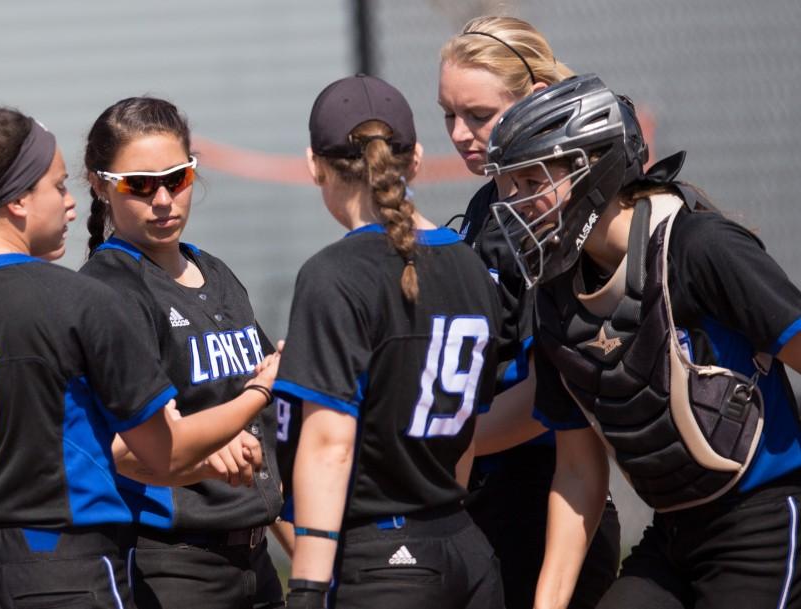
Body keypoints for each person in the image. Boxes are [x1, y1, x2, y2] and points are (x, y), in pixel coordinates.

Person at [0, 106, 275, 609]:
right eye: (57, 187)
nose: (71, 204)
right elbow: (159, 451)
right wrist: (258, 393)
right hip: (65, 571)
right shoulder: (80, 300)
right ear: (17, 202)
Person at [483, 73, 801, 609]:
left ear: (592, 167)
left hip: (764, 523)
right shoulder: (557, 298)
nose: (517, 204)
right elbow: (579, 470)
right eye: (509, 187)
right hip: (673, 533)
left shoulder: (698, 248)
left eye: (531, 182)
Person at [274, 74, 505, 609]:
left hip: (382, 562)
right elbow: (466, 434)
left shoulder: (333, 274)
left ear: (315, 165)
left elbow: (331, 444)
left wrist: (307, 586)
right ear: (415, 159)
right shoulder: (471, 265)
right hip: (464, 546)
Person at [437, 16, 619, 609]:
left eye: (480, 116)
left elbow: (555, 393)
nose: (462, 134)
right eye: (448, 115)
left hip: (545, 497)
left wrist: (446, 445)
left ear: (535, 100)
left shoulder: (562, 213)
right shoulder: (491, 202)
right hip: (487, 483)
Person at [79, 96, 288, 609]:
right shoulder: (110, 288)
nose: (164, 199)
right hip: (171, 566)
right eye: (140, 185)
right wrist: (198, 454)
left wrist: (310, 565)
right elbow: (116, 450)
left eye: (178, 178)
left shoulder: (215, 272)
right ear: (100, 184)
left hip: (255, 561)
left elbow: (263, 436)